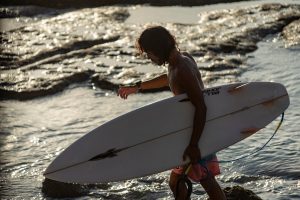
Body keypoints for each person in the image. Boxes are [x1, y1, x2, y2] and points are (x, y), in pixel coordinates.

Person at [118, 26, 226, 200]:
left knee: (204, 180)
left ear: (158, 49)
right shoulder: (180, 61)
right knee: (180, 181)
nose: (149, 58)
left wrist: (193, 145)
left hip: (195, 135)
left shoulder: (181, 69)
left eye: (149, 53)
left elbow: (201, 107)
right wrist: (138, 87)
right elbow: (167, 78)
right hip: (189, 134)